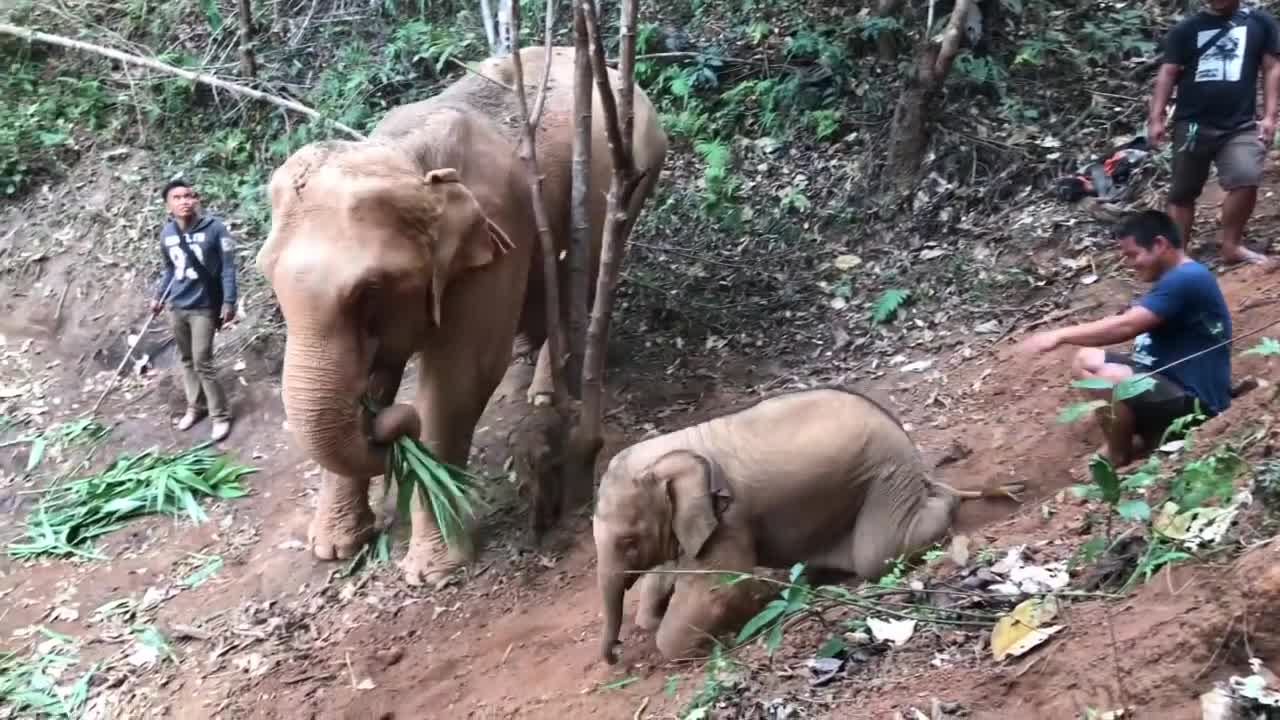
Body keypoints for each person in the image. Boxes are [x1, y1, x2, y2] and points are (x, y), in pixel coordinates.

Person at [1018, 210, 1233, 467]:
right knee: (1085, 359)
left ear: (1160, 244)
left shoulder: (1185, 278)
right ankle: (1141, 434)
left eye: (1132, 254)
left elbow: (1126, 326)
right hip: (1170, 381)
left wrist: (1059, 334)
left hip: (1196, 402)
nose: (1129, 263)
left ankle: (1118, 454)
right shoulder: (1178, 277)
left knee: (1104, 377)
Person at [1147, 0, 1280, 266]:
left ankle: (1231, 246)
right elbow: (1168, 72)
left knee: (1246, 177)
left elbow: (1271, 68)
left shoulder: (1260, 23)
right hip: (1193, 124)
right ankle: (1178, 257)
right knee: (1183, 192)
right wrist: (1156, 118)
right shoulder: (1186, 29)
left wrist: (1269, 116)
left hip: (1239, 123)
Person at [149, 178, 238, 442]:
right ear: (168, 205)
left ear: (196, 200)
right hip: (177, 305)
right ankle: (195, 407)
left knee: (202, 361)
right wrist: (158, 297)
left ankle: (220, 416)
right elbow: (169, 270)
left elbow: (228, 268)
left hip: (204, 307)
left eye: (189, 196)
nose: (185, 201)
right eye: (177, 197)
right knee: (187, 360)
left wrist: (229, 301)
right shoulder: (167, 234)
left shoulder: (215, 229)